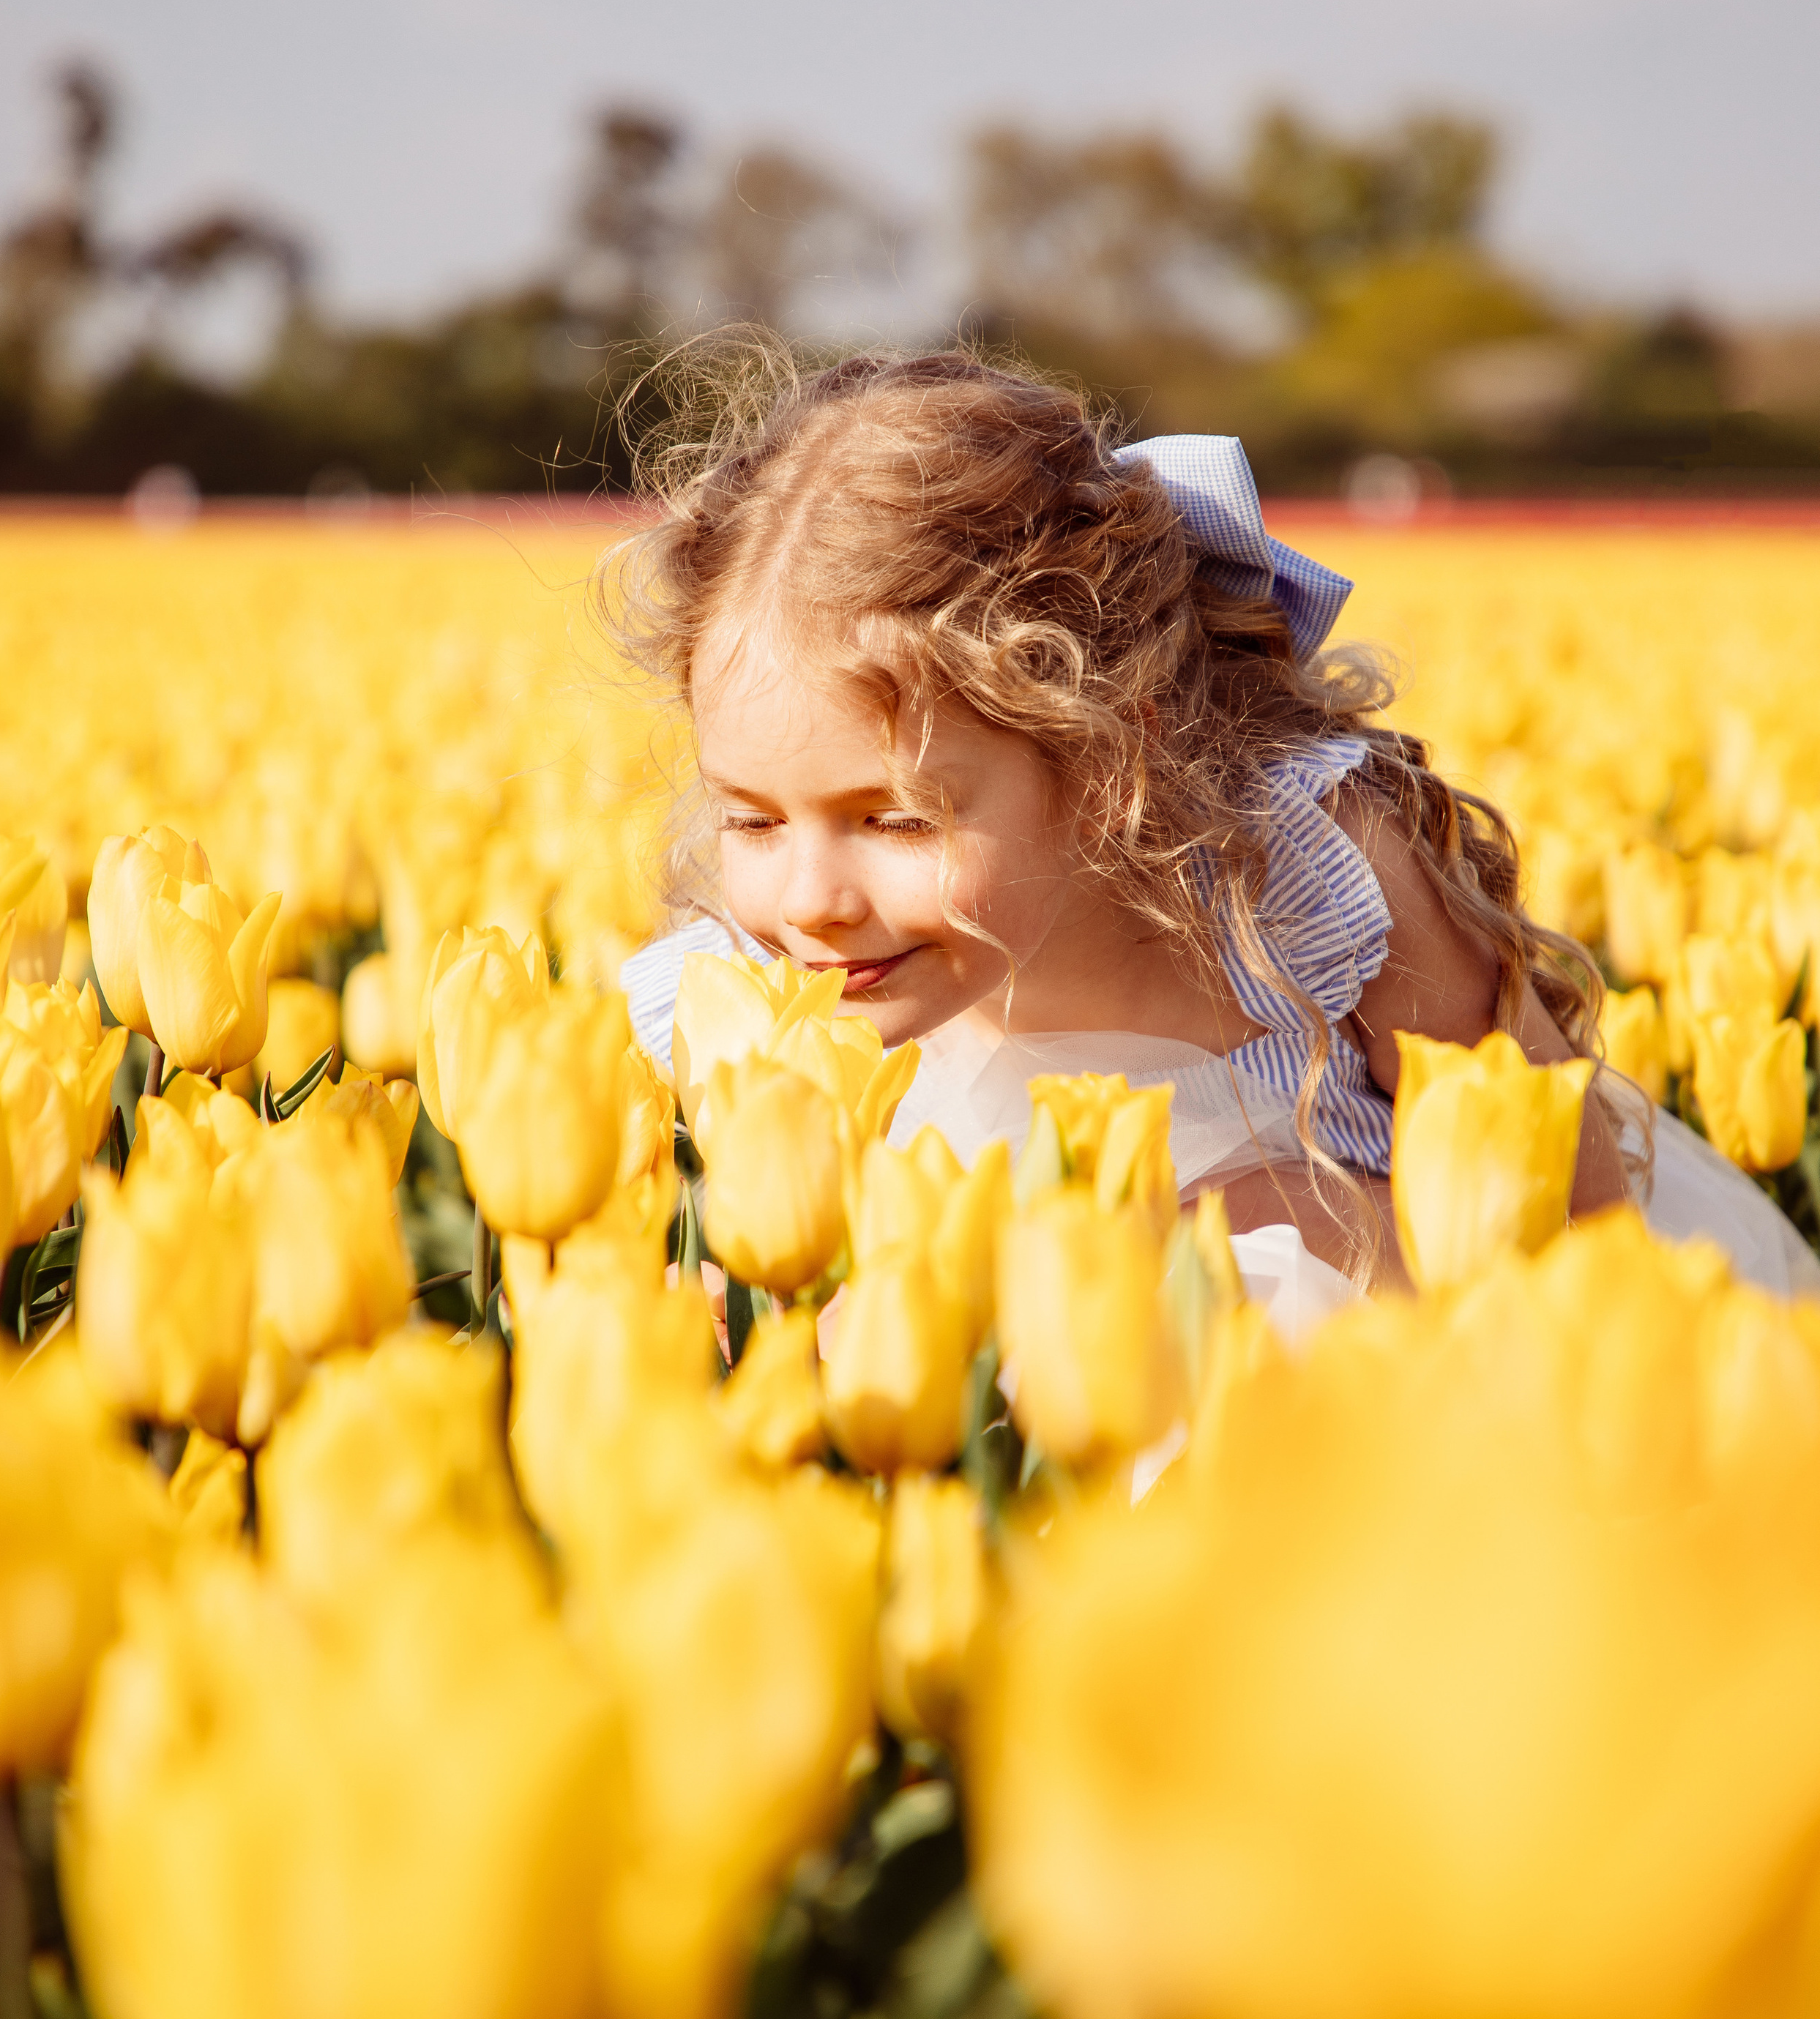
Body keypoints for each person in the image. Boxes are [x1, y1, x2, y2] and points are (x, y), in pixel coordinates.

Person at [613, 343, 1819, 1319]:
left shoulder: (1298, 879)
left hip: (1399, 1389)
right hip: (1026, 1453)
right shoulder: (751, 996)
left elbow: (1552, 1168)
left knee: (1245, 1227)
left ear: (1104, 757)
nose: (812, 898)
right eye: (754, 819)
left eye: (894, 819)